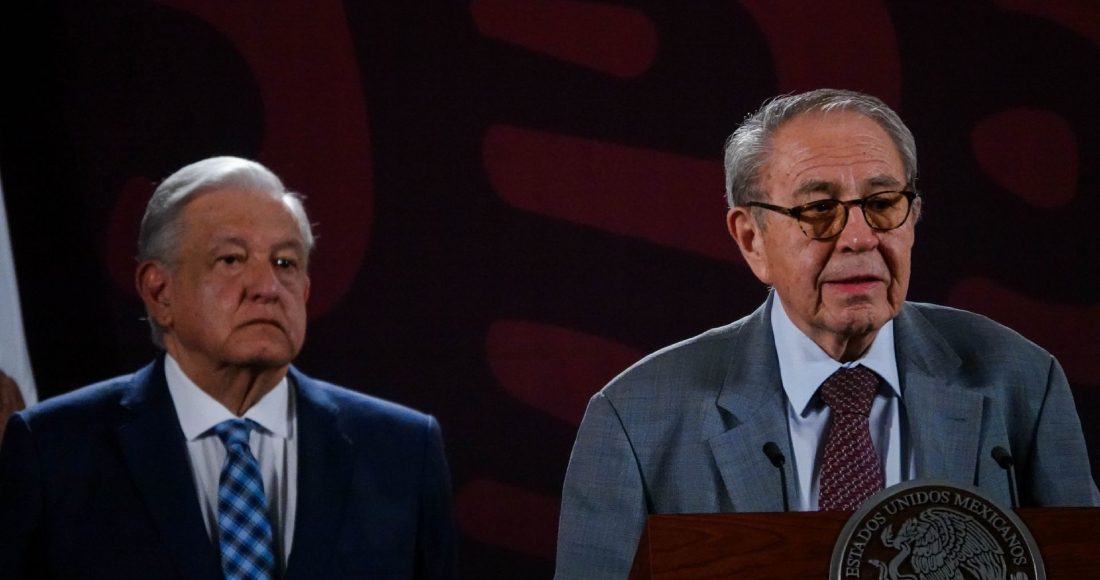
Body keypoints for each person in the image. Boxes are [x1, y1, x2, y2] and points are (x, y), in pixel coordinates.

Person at [554, 89, 1099, 579]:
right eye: (818, 210)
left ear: (912, 219)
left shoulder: (1020, 380)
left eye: (883, 204)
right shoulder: (635, 418)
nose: (859, 237)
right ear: (752, 240)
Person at [0, 157, 456, 579]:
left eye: (285, 263)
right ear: (159, 292)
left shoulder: (402, 450)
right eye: (231, 259)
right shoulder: (53, 451)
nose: (267, 286)